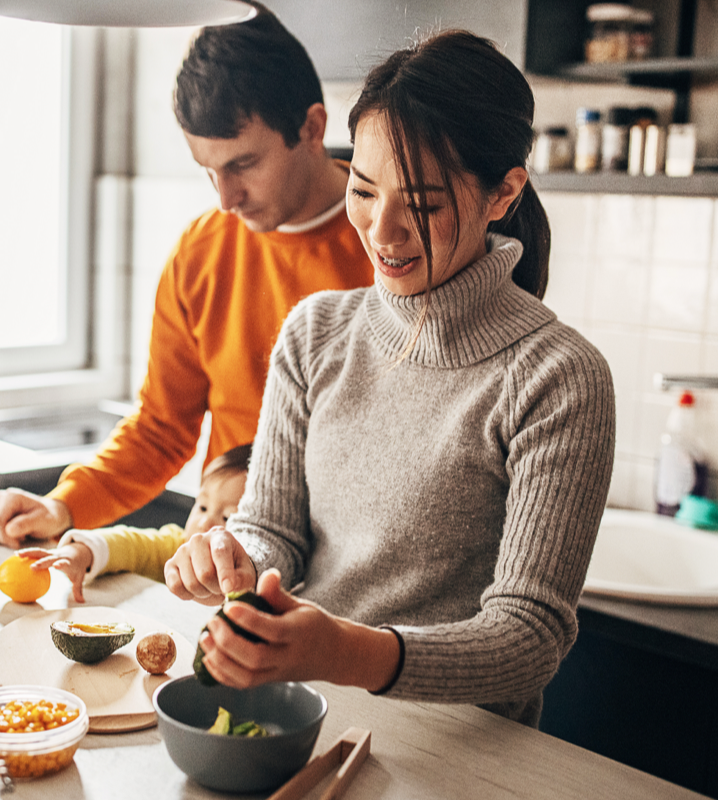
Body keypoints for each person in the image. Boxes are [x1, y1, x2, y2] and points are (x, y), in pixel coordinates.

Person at [165, 30, 616, 728]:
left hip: (464, 750)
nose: (383, 230)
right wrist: (233, 558)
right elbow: (272, 529)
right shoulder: (315, 332)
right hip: (306, 712)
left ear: (503, 193)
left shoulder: (558, 377)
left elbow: (529, 639)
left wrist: (346, 653)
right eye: (366, 191)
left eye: (424, 205)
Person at [0, 3, 374, 548]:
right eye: (208, 171)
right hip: (228, 568)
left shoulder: (392, 245)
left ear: (311, 127)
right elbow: (162, 429)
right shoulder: (202, 250)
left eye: (242, 164)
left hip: (354, 578)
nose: (226, 198)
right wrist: (62, 504)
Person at [20, 444, 251, 603]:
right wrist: (81, 552)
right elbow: (131, 545)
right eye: (202, 507)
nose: (204, 522)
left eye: (227, 518)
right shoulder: (178, 546)